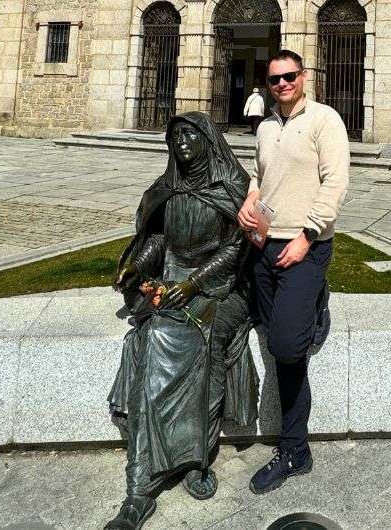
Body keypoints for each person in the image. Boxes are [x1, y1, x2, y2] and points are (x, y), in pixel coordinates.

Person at [106, 112, 259, 530]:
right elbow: (158, 239)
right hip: (173, 283)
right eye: (175, 138)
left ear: (208, 139)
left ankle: (195, 457)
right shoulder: (168, 189)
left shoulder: (233, 188)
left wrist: (194, 284)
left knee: (205, 343)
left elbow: (238, 250)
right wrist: (135, 268)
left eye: (190, 134)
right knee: (147, 341)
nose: (182, 143)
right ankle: (139, 490)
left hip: (222, 290)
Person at [236, 49, 350, 494]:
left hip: (307, 245)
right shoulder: (265, 126)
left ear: (304, 77)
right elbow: (259, 175)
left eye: (289, 76)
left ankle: (294, 448)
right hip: (265, 245)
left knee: (286, 345)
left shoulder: (324, 120)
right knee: (268, 327)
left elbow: (335, 182)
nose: (282, 84)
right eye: (274, 79)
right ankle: (308, 307)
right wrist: (250, 198)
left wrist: (307, 236)